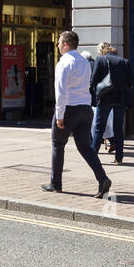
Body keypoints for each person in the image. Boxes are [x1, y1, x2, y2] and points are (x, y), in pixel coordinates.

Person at [43, 30, 112, 198]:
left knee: (58, 145)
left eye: (59, 43)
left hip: (69, 109)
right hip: (85, 108)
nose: (58, 45)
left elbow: (60, 92)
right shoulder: (84, 61)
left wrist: (59, 115)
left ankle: (55, 183)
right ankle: (102, 178)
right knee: (85, 147)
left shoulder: (64, 63)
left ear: (65, 45)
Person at [90, 42, 134, 164]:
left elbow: (93, 81)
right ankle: (118, 158)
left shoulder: (100, 60)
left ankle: (93, 156)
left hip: (104, 98)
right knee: (118, 128)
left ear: (105, 52)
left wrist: (97, 94)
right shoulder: (124, 61)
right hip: (120, 99)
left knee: (99, 127)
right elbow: (131, 82)